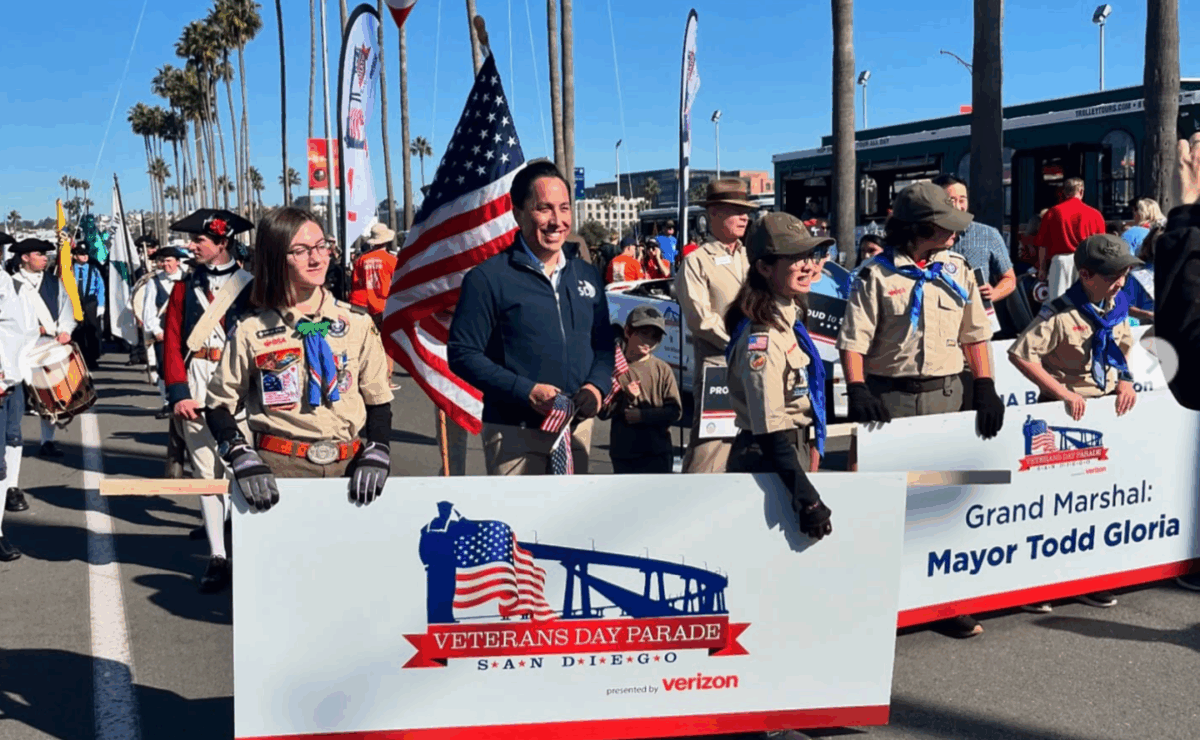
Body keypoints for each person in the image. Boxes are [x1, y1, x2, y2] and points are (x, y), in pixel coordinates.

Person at [836, 181, 1004, 639]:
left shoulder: (957, 269)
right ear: (918, 229)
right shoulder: (876, 275)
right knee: (888, 506)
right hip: (888, 402)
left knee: (942, 504)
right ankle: (882, 602)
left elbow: (976, 334)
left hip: (947, 397)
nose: (955, 234)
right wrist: (857, 388)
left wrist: (985, 385)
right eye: (945, 227)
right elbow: (854, 341)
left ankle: (945, 602)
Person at [205, 207, 393, 517]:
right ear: (276, 259)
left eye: (321, 246)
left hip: (351, 471)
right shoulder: (252, 330)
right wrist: (240, 454)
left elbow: (378, 399)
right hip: (279, 472)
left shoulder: (357, 323)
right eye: (301, 251)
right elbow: (218, 406)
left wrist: (379, 449)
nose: (318, 259)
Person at [447, 160, 615, 475]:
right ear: (519, 213)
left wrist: (597, 386)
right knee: (521, 524)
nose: (557, 221)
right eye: (544, 209)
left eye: (564, 208)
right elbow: (462, 354)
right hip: (514, 434)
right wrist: (525, 390)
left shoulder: (588, 275)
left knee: (571, 522)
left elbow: (604, 345)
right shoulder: (488, 278)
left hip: (575, 429)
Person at [1007, 233, 1141, 611]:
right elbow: (1022, 355)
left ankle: (1086, 578)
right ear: (1086, 275)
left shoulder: (1116, 306)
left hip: (1106, 412)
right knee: (1053, 508)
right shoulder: (1061, 312)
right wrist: (1063, 393)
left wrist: (1126, 381)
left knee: (1096, 505)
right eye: (1114, 274)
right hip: (1063, 415)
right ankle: (1039, 587)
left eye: (1125, 273)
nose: (1121, 281)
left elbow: (1121, 350)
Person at [724, 212, 835, 545]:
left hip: (790, 454)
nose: (807, 265)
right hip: (771, 460)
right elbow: (770, 429)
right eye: (794, 257)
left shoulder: (789, 316)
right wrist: (807, 497)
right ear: (764, 267)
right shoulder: (765, 338)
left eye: (808, 256)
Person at [162, 208, 256, 593]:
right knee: (206, 472)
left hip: (242, 386)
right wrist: (179, 393)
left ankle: (248, 549)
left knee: (243, 468)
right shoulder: (184, 288)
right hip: (198, 380)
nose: (191, 246)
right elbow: (170, 341)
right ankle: (218, 556)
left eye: (199, 241)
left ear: (223, 243)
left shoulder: (253, 286)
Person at [676, 178, 757, 474]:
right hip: (718, 366)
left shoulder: (754, 257)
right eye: (736, 210)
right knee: (710, 453)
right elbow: (701, 319)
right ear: (714, 214)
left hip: (759, 365)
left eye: (745, 210)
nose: (744, 217)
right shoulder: (697, 262)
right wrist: (740, 343)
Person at [9, 239, 77, 458]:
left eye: (46, 254)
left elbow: (66, 307)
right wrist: (29, 329)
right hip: (19, 348)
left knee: (49, 395)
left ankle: (47, 441)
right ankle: (11, 440)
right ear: (25, 258)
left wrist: (66, 329)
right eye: (39, 254)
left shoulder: (53, 282)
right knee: (17, 398)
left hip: (49, 345)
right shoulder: (11, 283)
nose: (45, 257)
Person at [599, 306, 681, 474]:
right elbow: (603, 412)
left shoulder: (662, 369)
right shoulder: (615, 367)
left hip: (658, 453)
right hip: (625, 453)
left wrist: (644, 416)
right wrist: (624, 397)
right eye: (644, 333)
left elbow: (675, 411)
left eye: (655, 337)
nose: (649, 341)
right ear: (628, 331)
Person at [0, 261, 30, 557]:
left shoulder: (8, 284)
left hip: (9, 382)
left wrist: (12, 374)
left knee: (12, 440)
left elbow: (21, 331)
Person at [1036, 178, 1106, 301]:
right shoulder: (1095, 214)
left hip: (1061, 262)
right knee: (1085, 301)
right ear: (1081, 191)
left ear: (1064, 192)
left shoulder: (1052, 213)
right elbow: (1100, 245)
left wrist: (1042, 268)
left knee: (1057, 302)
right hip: (1086, 263)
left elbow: (1043, 245)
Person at [349, 222, 400, 388]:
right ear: (385, 241)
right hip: (386, 306)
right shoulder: (391, 260)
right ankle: (387, 379)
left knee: (369, 345)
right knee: (387, 344)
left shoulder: (361, 260)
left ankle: (368, 378)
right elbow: (397, 285)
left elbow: (356, 285)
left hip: (365, 307)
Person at [139, 247, 188, 418]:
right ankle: (167, 402)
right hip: (164, 332)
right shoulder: (154, 282)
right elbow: (148, 309)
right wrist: (156, 330)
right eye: (163, 261)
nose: (165, 264)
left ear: (178, 262)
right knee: (163, 368)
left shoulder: (187, 279)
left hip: (185, 331)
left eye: (169, 260)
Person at [71, 245, 105, 369]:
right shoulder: (69, 270)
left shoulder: (93, 269)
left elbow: (100, 287)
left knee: (92, 330)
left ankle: (93, 358)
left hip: (90, 301)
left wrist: (101, 304)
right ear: (74, 256)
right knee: (77, 331)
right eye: (81, 253)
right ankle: (80, 358)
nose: (84, 256)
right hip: (75, 301)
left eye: (86, 253)